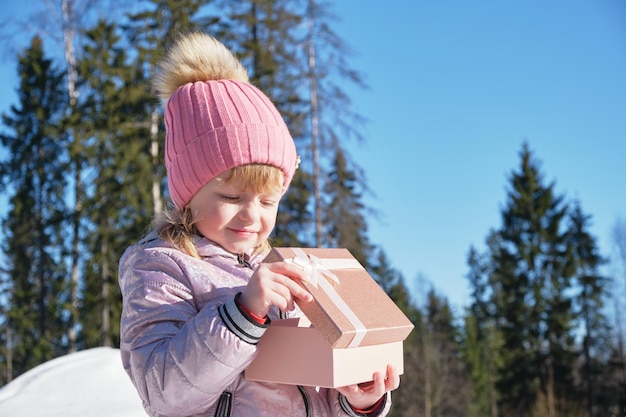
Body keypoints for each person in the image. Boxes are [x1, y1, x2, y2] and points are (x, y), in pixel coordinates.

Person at [118, 32, 400, 417]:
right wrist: (242, 314)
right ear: (188, 191)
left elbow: (313, 392)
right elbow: (163, 392)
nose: (253, 215)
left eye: (269, 201)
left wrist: (355, 398)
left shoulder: (287, 271)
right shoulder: (161, 267)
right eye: (231, 198)